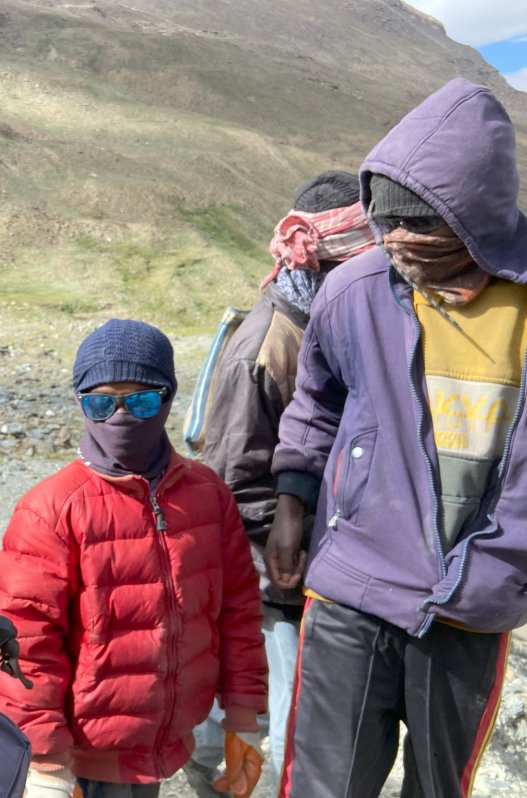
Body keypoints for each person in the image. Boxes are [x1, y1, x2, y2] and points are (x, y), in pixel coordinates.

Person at [266, 78, 527, 798]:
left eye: (416, 225)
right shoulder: (356, 289)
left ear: (476, 219)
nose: (394, 242)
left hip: (471, 608)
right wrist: (294, 502)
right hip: (353, 591)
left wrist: (504, 571)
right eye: (382, 223)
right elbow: (317, 399)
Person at [0, 319, 268, 798]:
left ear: (167, 397)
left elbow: (239, 614)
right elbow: (25, 643)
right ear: (82, 403)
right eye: (102, 403)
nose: (121, 417)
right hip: (80, 756)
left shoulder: (207, 496)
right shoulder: (52, 508)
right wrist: (45, 759)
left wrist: (244, 718)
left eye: (140, 401)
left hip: (165, 743)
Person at [184, 170, 374, 796]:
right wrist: (310, 534)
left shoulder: (328, 322)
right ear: (325, 260)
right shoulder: (265, 349)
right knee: (286, 710)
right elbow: (233, 487)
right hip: (277, 572)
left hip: (316, 561)